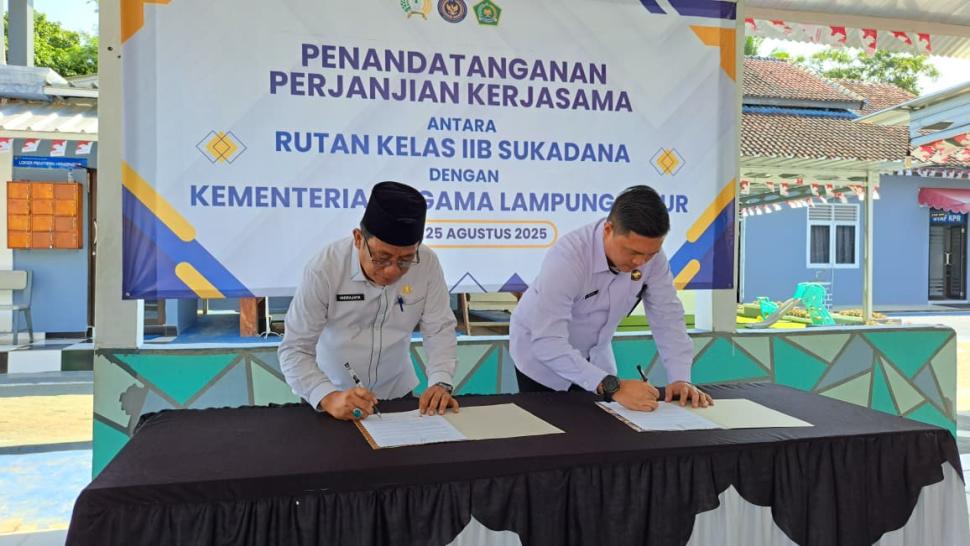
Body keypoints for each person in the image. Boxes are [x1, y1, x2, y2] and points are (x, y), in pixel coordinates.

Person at [510, 185, 712, 410]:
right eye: (633, 252)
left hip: (597, 357)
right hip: (541, 361)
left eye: (650, 254)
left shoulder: (651, 256)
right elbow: (547, 341)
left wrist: (681, 378)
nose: (640, 262)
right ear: (608, 230)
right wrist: (613, 387)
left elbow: (668, 317)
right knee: (550, 425)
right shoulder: (568, 258)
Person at [279, 181, 459, 420]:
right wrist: (328, 396)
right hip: (332, 395)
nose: (392, 271)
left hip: (397, 393)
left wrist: (440, 381)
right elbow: (294, 348)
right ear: (358, 239)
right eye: (382, 257)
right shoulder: (326, 268)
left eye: (405, 260)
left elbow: (439, 329)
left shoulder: (427, 264)